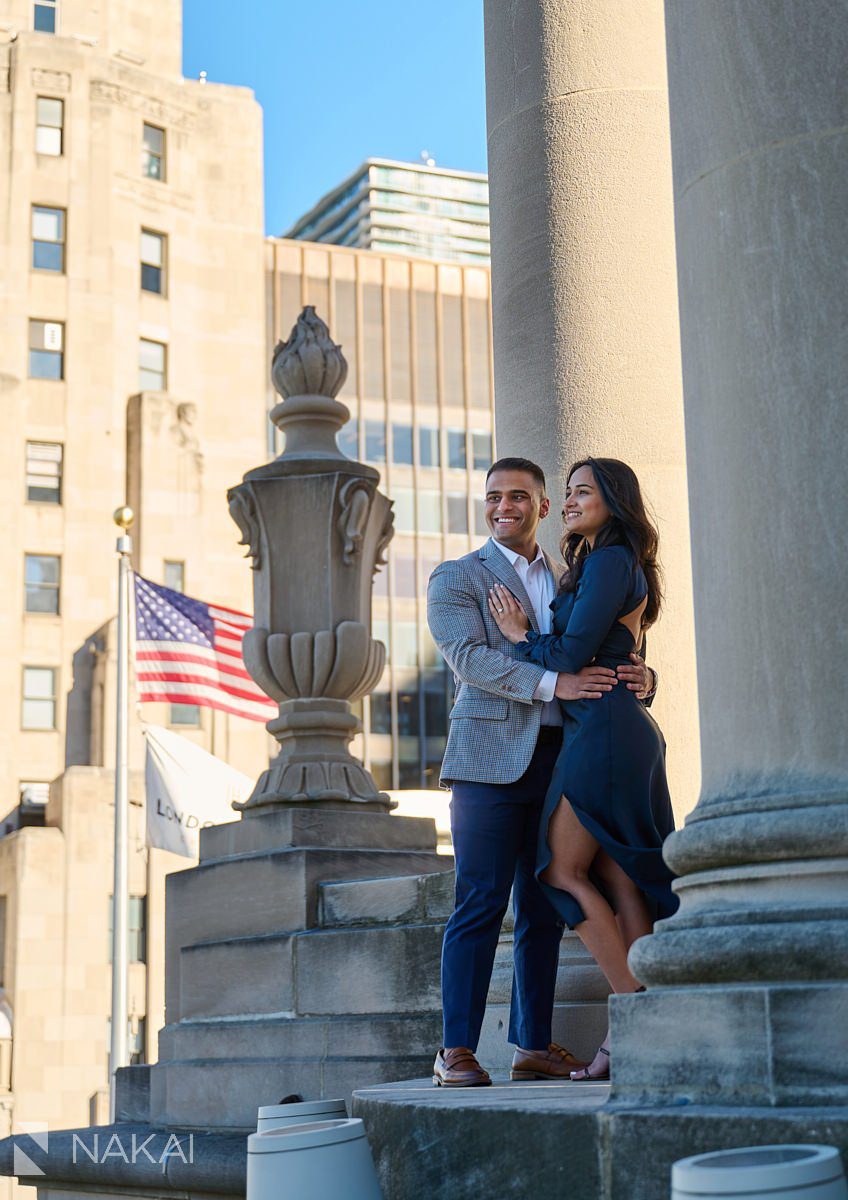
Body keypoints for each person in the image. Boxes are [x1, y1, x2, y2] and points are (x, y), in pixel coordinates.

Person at [426, 457, 655, 1087]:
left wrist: (644, 677)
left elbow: (609, 644)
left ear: (543, 506)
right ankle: (456, 1051)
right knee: (478, 901)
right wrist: (557, 679)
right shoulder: (456, 577)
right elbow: (470, 659)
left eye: (519, 496)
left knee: (542, 906)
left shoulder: (572, 573)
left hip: (564, 758)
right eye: (494, 497)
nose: (505, 506)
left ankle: (531, 1044)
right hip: (489, 763)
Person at [488, 457, 678, 1081]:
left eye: (582, 492)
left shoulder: (611, 560)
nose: (569, 502)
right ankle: (640, 1021)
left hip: (605, 732)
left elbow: (572, 654)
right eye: (566, 493)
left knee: (559, 867)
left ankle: (633, 1011)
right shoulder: (597, 564)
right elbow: (620, 655)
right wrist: (640, 677)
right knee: (618, 878)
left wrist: (519, 636)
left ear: (614, 500)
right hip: (606, 728)